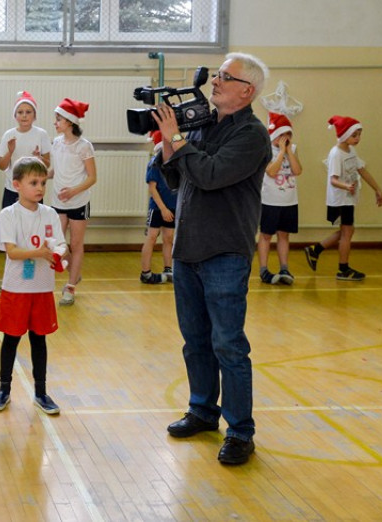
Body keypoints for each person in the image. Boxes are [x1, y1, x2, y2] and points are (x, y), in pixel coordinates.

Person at [153, 52, 272, 466]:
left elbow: (210, 175)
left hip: (224, 251)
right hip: (188, 248)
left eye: (225, 77)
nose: (216, 81)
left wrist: (179, 140)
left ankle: (240, 431)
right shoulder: (203, 124)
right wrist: (169, 141)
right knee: (196, 341)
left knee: (229, 345)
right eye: (217, 74)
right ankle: (203, 410)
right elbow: (175, 176)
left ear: (247, 90)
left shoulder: (253, 135)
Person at [0, 156, 66, 415]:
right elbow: (11, 252)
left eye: (43, 182)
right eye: (34, 182)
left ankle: (41, 393)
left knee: (39, 340)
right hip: (16, 288)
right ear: (17, 184)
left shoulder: (51, 214)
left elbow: (60, 244)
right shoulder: (8, 215)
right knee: (10, 340)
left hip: (42, 289)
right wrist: (40, 252)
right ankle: (4, 390)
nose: (40, 188)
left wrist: (59, 254)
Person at [303, 116, 382, 281]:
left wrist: (377, 189)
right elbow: (333, 180)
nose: (358, 139)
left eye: (359, 134)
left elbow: (362, 170)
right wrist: (346, 186)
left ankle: (316, 250)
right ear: (344, 134)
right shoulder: (336, 154)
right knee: (347, 232)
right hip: (340, 199)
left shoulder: (351, 151)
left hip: (348, 198)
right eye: (354, 135)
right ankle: (343, 269)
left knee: (348, 231)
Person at [49, 98, 95, 305]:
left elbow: (92, 177)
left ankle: (70, 286)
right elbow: (53, 171)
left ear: (69, 121)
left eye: (58, 119)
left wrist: (73, 191)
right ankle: (73, 271)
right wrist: (39, 173)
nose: (55, 123)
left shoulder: (84, 147)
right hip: (58, 202)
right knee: (58, 243)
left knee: (76, 244)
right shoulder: (56, 142)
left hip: (78, 202)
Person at [257, 113, 303, 285]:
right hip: (270, 200)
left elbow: (297, 171)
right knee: (266, 235)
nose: (285, 138)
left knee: (284, 235)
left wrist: (289, 151)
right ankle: (263, 269)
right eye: (282, 135)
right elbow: (271, 171)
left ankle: (284, 268)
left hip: (289, 200)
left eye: (288, 135)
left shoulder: (294, 149)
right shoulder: (266, 149)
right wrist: (281, 151)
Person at [0, 91, 52, 209]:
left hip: (34, 189)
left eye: (28, 112)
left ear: (34, 115)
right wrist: (10, 151)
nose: (24, 115)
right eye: (20, 112)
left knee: (34, 224)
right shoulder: (9, 135)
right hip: (12, 189)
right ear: (15, 115)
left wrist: (39, 158)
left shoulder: (41, 134)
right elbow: (1, 166)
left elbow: (47, 164)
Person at [139, 130, 176, 285]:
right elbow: (152, 188)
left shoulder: (175, 163)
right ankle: (146, 272)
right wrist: (163, 209)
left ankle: (168, 269)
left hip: (172, 207)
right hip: (158, 208)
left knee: (169, 238)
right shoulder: (155, 163)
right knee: (152, 237)